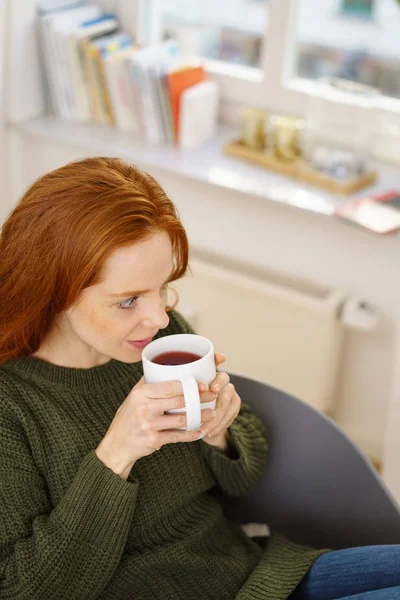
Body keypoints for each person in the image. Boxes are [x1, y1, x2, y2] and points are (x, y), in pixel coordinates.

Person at [0, 157, 398, 600]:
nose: (157, 316)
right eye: (129, 300)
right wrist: (116, 453)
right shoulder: (11, 405)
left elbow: (243, 483)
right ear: (53, 289)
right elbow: (25, 589)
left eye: (162, 286)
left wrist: (220, 431)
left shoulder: (164, 339)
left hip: (259, 577)